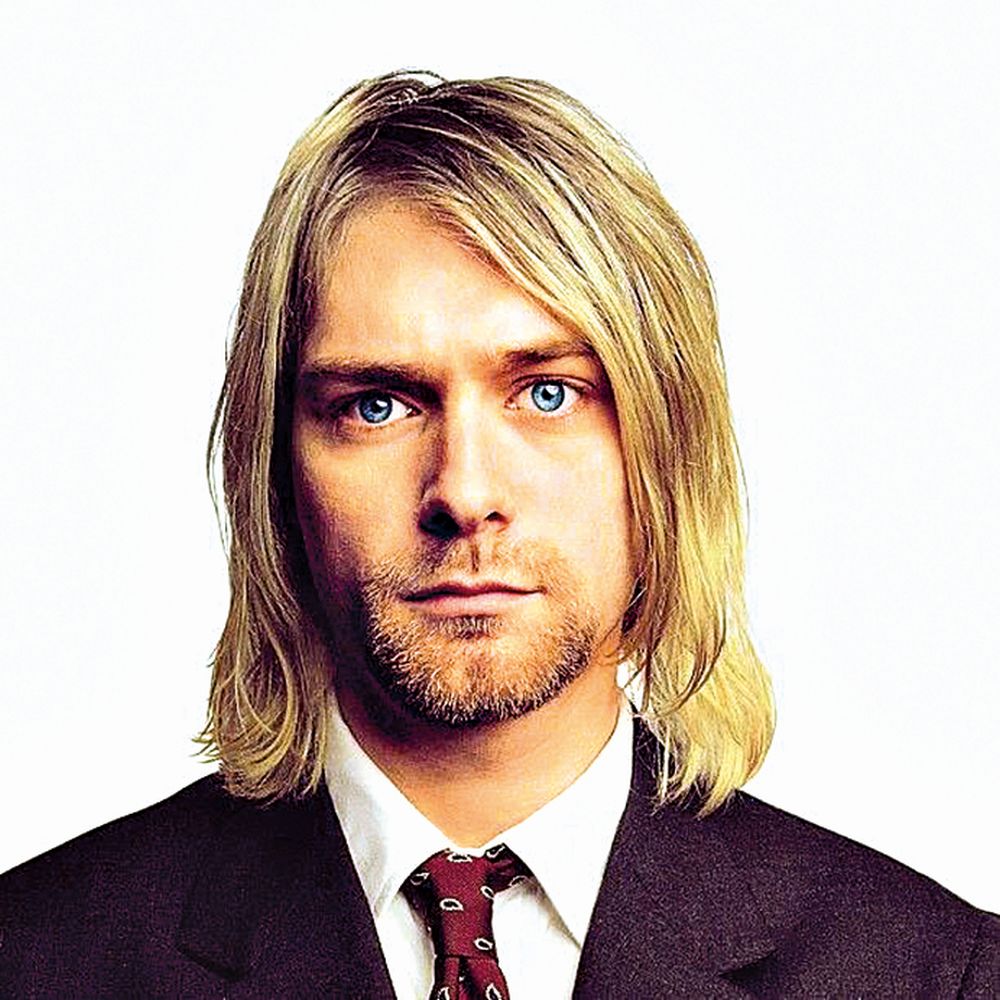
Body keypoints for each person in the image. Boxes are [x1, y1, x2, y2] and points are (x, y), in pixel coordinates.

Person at [1, 69, 996, 1000]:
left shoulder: (935, 975)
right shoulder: (37, 957)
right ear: (274, 471)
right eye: (377, 405)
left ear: (668, 447)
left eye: (549, 393)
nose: (465, 492)